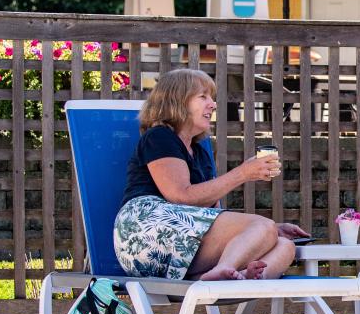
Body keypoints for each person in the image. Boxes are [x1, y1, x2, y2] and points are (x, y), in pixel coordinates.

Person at [113, 68, 307, 282]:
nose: (213, 105)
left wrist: (265, 234)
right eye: (203, 97)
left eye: (212, 98)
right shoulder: (159, 137)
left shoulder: (200, 150)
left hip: (184, 242)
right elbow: (180, 196)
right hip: (145, 235)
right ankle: (224, 270)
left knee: (284, 245)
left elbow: (211, 214)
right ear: (177, 100)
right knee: (264, 226)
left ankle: (238, 277)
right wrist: (242, 173)